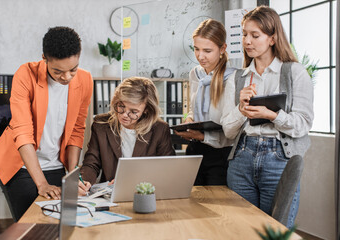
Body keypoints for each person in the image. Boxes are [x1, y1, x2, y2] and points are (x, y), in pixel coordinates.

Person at [220, 6, 314, 228]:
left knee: (275, 230)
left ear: (272, 38)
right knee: (241, 230)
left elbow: (303, 125)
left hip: (280, 158)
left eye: (255, 35)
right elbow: (228, 131)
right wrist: (240, 110)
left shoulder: (294, 72)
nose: (247, 41)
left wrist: (273, 115)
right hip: (241, 157)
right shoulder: (238, 78)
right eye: (244, 34)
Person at [0, 26, 93, 221]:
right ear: (44, 58)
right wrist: (42, 184)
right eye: (58, 71)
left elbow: (76, 131)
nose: (66, 78)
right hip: (20, 164)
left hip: (56, 163)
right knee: (33, 225)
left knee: (63, 222)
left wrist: (73, 175)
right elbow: (22, 132)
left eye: (72, 70)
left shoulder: (85, 80)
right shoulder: (26, 74)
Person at [78, 77, 175, 195]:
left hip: (145, 195)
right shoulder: (101, 125)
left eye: (133, 112)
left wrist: (133, 182)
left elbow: (167, 169)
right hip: (110, 196)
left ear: (146, 110)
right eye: (121, 106)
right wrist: (85, 181)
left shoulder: (160, 129)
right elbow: (91, 163)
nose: (124, 115)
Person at [174, 19, 236, 185]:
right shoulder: (195, 74)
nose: (200, 56)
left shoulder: (233, 78)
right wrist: (189, 119)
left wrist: (202, 136)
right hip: (195, 150)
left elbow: (233, 131)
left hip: (221, 155)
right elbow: (194, 109)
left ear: (222, 49)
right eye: (196, 49)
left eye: (207, 51)